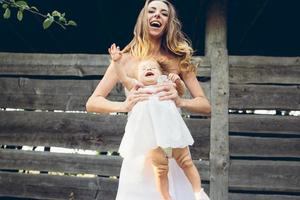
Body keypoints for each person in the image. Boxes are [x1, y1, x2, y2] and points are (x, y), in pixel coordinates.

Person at [86, 0, 211, 199]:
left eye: (163, 13)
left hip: (172, 147)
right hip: (141, 149)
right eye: (151, 11)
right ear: (143, 18)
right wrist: (124, 105)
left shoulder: (178, 59)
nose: (156, 16)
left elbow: (206, 106)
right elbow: (93, 102)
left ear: (169, 22)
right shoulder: (125, 59)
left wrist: (180, 101)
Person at [109, 42, 210, 200]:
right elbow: (122, 76)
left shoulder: (164, 83)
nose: (148, 69)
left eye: (152, 68)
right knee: (161, 171)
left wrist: (177, 81)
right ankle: (166, 197)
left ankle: (198, 191)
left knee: (187, 162)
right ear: (137, 76)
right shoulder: (137, 86)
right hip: (153, 140)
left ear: (160, 72)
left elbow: (181, 92)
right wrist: (116, 61)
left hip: (173, 136)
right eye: (144, 69)